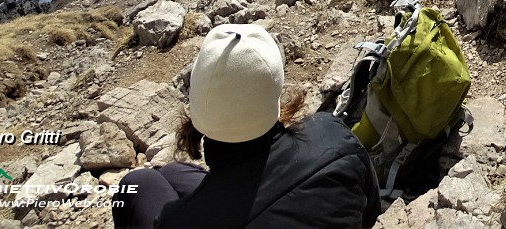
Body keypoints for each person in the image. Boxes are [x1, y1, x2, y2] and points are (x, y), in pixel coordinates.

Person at [113, 24, 381, 229]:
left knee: (137, 183)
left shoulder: (176, 222)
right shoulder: (333, 137)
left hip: (211, 207)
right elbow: (369, 214)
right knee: (173, 173)